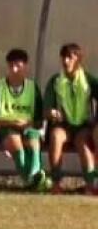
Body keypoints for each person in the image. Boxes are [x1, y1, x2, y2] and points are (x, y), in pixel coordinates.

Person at [0, 48, 47, 189]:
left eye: (18, 66)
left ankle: (32, 179)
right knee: (16, 144)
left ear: (26, 67)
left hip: (27, 127)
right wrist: (12, 122)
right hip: (4, 128)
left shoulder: (33, 88)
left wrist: (27, 123)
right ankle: (34, 181)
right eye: (11, 66)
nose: (14, 70)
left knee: (33, 141)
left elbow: (38, 120)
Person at [43, 43, 98, 194]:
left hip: (83, 126)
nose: (66, 61)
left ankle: (90, 184)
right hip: (63, 126)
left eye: (70, 57)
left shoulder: (89, 80)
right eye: (63, 57)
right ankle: (56, 183)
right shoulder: (55, 80)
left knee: (83, 142)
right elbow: (45, 109)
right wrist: (52, 112)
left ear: (78, 60)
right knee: (55, 136)